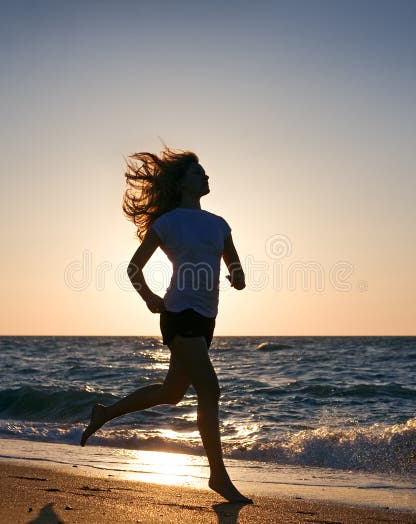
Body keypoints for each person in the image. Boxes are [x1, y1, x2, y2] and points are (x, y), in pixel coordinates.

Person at [79, 147, 251, 504]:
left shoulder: (219, 224)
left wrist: (237, 276)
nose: (206, 176)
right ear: (182, 182)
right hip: (178, 312)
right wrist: (149, 297)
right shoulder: (168, 222)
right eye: (198, 172)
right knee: (210, 389)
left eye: (205, 172)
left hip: (207, 317)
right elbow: (134, 267)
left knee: (172, 392)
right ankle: (218, 476)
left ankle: (104, 413)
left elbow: (234, 265)